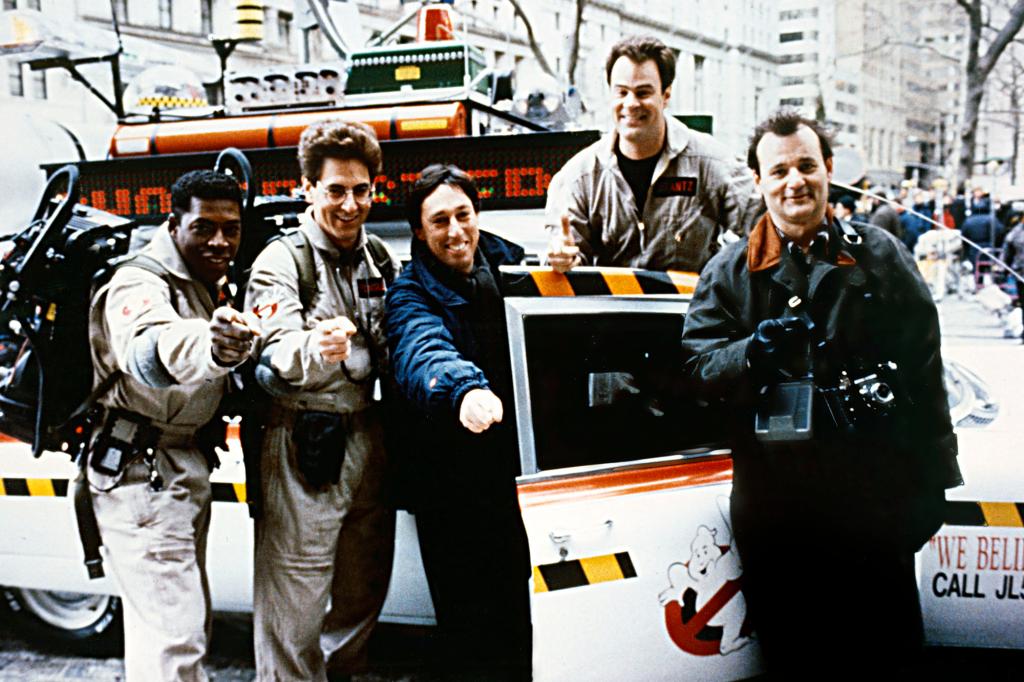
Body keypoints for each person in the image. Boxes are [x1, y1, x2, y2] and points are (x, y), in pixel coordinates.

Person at [680, 110, 962, 676]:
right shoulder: (728, 272)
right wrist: (752, 351)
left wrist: (934, 484)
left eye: (807, 165)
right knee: (797, 660)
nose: (794, 182)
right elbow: (695, 369)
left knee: (886, 656)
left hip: (874, 505)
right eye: (778, 170)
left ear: (829, 170)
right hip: (778, 511)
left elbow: (925, 374)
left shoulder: (881, 255)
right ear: (758, 182)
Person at [86, 170, 258, 680]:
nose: (220, 240)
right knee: (174, 641)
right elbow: (148, 346)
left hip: (174, 469)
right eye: (204, 227)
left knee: (173, 629)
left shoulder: (202, 279)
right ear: (173, 224)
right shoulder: (138, 281)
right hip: (140, 474)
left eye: (231, 227)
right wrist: (211, 345)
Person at [245, 120, 400, 681]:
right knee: (296, 598)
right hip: (304, 441)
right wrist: (316, 347)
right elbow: (274, 348)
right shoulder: (282, 262)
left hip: (366, 437)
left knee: (363, 587)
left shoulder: (378, 257)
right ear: (307, 188)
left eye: (361, 190)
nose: (350, 204)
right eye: (335, 190)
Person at [385, 164, 532, 680]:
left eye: (462, 215)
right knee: (467, 623)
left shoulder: (512, 265)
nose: (455, 232)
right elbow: (422, 350)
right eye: (439, 220)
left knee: (519, 611)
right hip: (448, 483)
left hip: (510, 474)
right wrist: (463, 389)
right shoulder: (408, 294)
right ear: (420, 232)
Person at [545, 35, 760, 274]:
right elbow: (565, 258)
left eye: (643, 92)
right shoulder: (579, 176)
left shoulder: (712, 163)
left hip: (693, 310)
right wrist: (563, 259)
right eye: (622, 92)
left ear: (666, 95)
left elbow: (766, 233)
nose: (631, 103)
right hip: (610, 310)